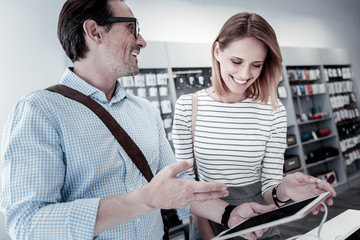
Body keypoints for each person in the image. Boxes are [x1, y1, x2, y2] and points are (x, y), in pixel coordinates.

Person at [0, 1, 279, 240]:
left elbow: (179, 183)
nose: (142, 41)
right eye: (133, 28)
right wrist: (143, 200)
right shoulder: (40, 111)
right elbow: (26, 224)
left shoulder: (143, 110)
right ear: (94, 31)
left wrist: (229, 213)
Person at [172, 12, 336, 240]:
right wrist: (209, 234)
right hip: (208, 224)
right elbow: (185, 184)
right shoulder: (188, 107)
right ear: (218, 51)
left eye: (256, 65)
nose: (244, 74)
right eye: (236, 61)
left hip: (260, 225)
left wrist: (285, 189)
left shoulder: (273, 110)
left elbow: (269, 189)